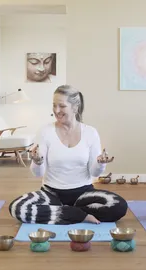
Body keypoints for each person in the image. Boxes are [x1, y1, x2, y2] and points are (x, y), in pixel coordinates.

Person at [8, 85, 128, 225]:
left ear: (75, 108)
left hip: (83, 194)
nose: (56, 110)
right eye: (54, 105)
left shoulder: (90, 132)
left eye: (62, 106)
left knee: (119, 206)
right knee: (17, 208)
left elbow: (94, 172)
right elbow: (38, 173)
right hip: (51, 194)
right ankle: (80, 215)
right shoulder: (45, 131)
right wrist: (38, 161)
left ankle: (61, 213)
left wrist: (101, 163)